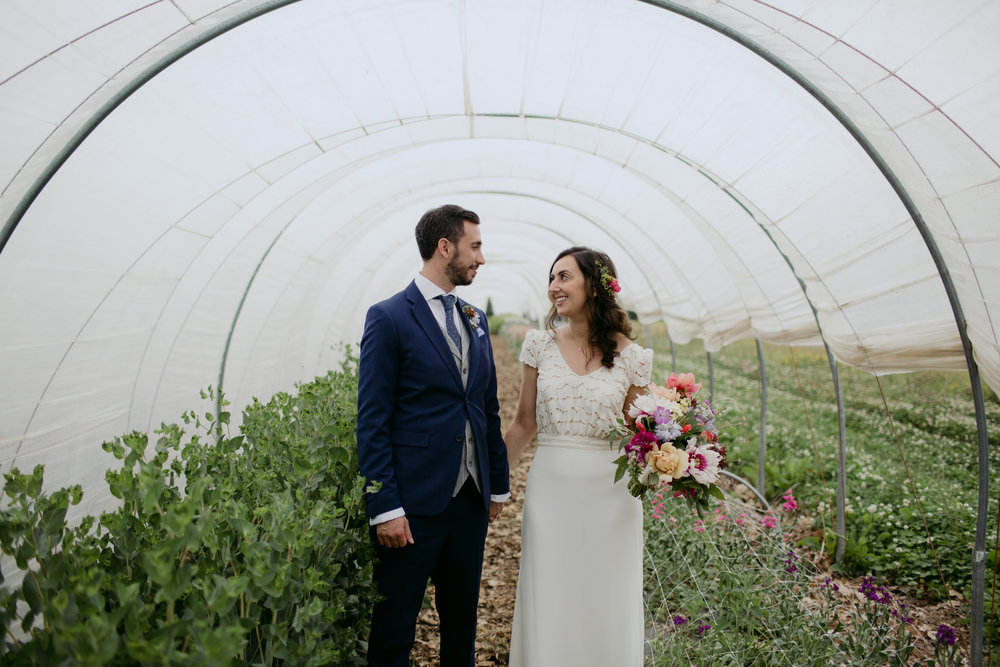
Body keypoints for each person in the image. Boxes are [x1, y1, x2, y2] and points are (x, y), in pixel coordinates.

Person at [356, 204, 511, 666]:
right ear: (445, 247)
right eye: (475, 246)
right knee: (395, 629)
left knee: (462, 624)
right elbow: (372, 419)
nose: (481, 258)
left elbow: (485, 407)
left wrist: (496, 482)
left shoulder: (474, 317)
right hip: (412, 505)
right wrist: (384, 506)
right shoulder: (388, 317)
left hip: (469, 500)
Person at [504, 247, 652, 666]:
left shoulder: (632, 357)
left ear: (595, 283)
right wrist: (493, 486)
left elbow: (639, 436)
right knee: (550, 591)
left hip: (612, 497)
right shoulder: (539, 345)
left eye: (564, 277)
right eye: (551, 278)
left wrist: (674, 462)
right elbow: (522, 422)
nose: (554, 287)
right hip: (551, 490)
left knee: (606, 595)